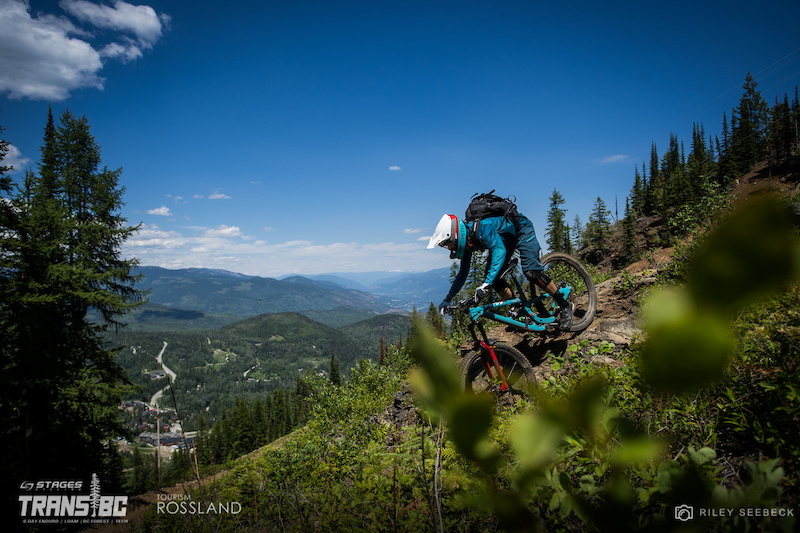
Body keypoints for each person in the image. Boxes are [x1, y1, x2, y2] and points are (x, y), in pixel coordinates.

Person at [427, 213, 574, 330]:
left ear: (456, 235)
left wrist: (486, 284)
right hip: (505, 240)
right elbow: (462, 273)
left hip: (522, 230)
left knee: (531, 272)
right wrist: (448, 298)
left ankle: (564, 304)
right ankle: (520, 310)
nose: (451, 248)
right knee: (495, 279)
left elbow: (499, 250)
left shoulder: (483, 228)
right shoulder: (468, 241)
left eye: (449, 244)